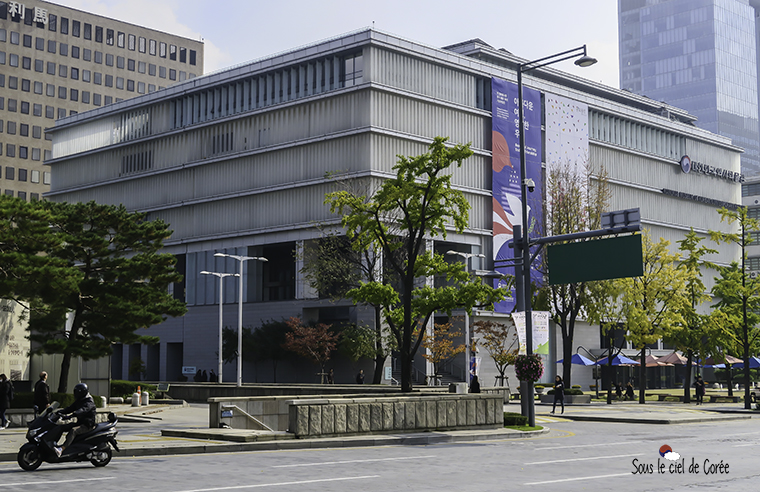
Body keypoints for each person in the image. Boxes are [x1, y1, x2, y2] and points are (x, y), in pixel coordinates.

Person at [54, 383, 96, 457]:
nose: (75, 394)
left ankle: (61, 449)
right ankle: (53, 443)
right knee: (62, 427)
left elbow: (83, 409)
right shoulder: (80, 400)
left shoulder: (89, 402)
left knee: (73, 430)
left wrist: (73, 414)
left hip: (87, 425)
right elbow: (70, 408)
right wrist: (59, 412)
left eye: (77, 392)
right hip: (80, 423)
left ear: (82, 393)